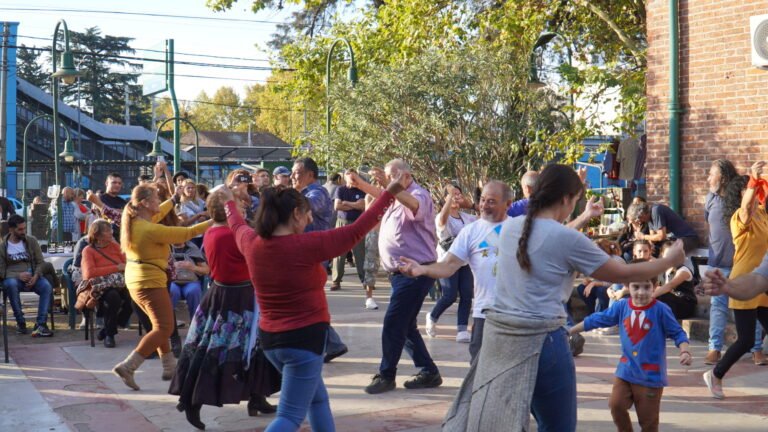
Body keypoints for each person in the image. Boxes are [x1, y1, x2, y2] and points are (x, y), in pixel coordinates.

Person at [441, 164, 686, 432]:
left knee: (506, 420)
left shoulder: (510, 229)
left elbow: (547, 237)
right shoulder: (566, 238)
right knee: (557, 426)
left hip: (502, 340)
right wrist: (669, 261)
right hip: (544, 342)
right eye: (575, 200)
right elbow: (622, 273)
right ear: (567, 199)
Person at [219, 169, 406, 432]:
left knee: (317, 400)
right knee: (289, 417)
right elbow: (358, 229)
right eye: (307, 213)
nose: (309, 219)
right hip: (303, 341)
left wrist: (228, 201)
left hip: (272, 341)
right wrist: (391, 192)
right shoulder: (306, 245)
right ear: (295, 214)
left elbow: (236, 224)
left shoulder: (251, 242)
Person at [169, 192, 280, 430]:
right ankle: (193, 401)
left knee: (233, 347)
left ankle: (256, 397)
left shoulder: (211, 232)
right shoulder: (233, 235)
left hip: (222, 294)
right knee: (223, 350)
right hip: (237, 297)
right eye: (238, 204)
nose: (242, 206)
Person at [111, 184, 211, 392]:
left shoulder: (137, 221)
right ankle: (129, 366)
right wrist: (217, 221)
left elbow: (160, 213)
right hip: (149, 282)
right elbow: (187, 233)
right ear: (145, 203)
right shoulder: (149, 229)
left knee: (159, 326)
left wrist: (173, 199)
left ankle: (169, 366)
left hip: (137, 280)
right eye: (156, 198)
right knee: (164, 327)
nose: (159, 201)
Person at [399, 180, 512, 363]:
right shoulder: (471, 231)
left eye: (491, 201)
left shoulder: (521, 229)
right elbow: (449, 265)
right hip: (486, 314)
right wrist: (422, 269)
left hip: (518, 315)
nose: (484, 205)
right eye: (482, 200)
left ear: (508, 204)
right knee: (480, 370)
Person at [569, 271, 692, 432]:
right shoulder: (622, 306)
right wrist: (570, 330)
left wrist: (685, 351)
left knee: (648, 422)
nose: (641, 292)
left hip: (650, 376)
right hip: (625, 371)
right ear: (627, 287)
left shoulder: (661, 310)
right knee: (616, 405)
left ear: (655, 286)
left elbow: (678, 332)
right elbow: (597, 319)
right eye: (636, 287)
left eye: (647, 287)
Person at [360, 159, 443, 395]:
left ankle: (386, 375)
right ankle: (429, 371)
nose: (390, 181)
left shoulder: (418, 195)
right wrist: (360, 184)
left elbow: (413, 205)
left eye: (394, 176)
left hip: (415, 272)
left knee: (394, 322)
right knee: (406, 326)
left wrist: (389, 187)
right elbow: (384, 195)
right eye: (388, 176)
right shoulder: (396, 196)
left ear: (407, 176)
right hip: (399, 274)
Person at [703, 159, 763, 365]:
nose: (708, 178)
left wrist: (756, 182)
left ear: (724, 177)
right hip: (721, 263)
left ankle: (756, 349)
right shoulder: (717, 202)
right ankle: (715, 350)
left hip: (750, 269)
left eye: (712, 174)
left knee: (755, 312)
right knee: (719, 307)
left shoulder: (754, 208)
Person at [291, 157, 348, 363]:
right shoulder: (302, 192)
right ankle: (332, 343)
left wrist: (291, 193)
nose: (292, 176)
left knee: (310, 301)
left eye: (296, 172)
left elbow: (310, 206)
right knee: (306, 301)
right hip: (304, 254)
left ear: (310, 175)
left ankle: (331, 343)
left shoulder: (318, 192)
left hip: (314, 254)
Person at [426, 184, 477, 343]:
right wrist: (449, 199)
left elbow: (485, 219)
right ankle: (432, 316)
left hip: (464, 262)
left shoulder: (467, 217)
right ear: (445, 199)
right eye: (452, 194)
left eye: (458, 194)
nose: (456, 197)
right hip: (447, 262)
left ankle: (462, 329)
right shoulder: (441, 217)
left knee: (467, 295)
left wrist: (472, 205)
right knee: (449, 295)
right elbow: (442, 219)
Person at [80, 220, 132, 348]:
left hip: (120, 282)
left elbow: (126, 264)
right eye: (108, 231)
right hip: (100, 286)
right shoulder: (88, 250)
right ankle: (109, 335)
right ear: (98, 235)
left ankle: (108, 329)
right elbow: (89, 273)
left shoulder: (115, 246)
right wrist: (115, 267)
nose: (111, 233)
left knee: (134, 298)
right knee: (113, 297)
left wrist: (121, 267)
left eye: (111, 230)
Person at [0, 214, 53, 337]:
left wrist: (36, 275)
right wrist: (18, 275)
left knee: (46, 286)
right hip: (13, 278)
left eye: (24, 228)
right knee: (11, 284)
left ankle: (41, 324)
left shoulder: (31, 241)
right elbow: (1, 270)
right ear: (11, 230)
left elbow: (41, 262)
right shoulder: (3, 247)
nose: (23, 231)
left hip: (33, 275)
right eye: (20, 229)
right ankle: (20, 322)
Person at [329, 169, 367, 293]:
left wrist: (347, 203)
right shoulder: (340, 190)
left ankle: (365, 280)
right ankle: (336, 281)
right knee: (339, 254)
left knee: (360, 254)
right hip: (342, 223)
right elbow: (337, 206)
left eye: (353, 175)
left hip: (357, 224)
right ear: (345, 177)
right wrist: (354, 204)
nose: (351, 178)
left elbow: (362, 206)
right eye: (348, 175)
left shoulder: (361, 190)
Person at [626, 201, 700, 253]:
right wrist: (650, 245)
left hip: (689, 238)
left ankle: (676, 273)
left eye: (638, 219)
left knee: (669, 251)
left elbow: (661, 236)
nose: (639, 222)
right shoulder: (648, 219)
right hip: (675, 239)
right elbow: (653, 238)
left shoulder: (656, 211)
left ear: (642, 214)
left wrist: (643, 236)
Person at [653, 241, 698, 320]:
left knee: (664, 295)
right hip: (669, 302)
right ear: (662, 254)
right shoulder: (662, 271)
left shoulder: (683, 270)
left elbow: (670, 285)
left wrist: (650, 297)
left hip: (685, 304)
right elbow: (659, 287)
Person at [361, 167, 385, 310]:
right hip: (374, 232)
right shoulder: (370, 195)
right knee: (370, 265)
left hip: (388, 233)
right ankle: (369, 296)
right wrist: (377, 195)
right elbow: (368, 212)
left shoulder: (392, 194)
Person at [169, 240, 208, 322]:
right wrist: (171, 266)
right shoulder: (165, 247)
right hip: (172, 281)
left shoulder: (192, 248)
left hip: (191, 281)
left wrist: (193, 267)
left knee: (193, 291)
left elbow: (206, 270)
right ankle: (169, 326)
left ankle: (195, 325)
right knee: (172, 291)